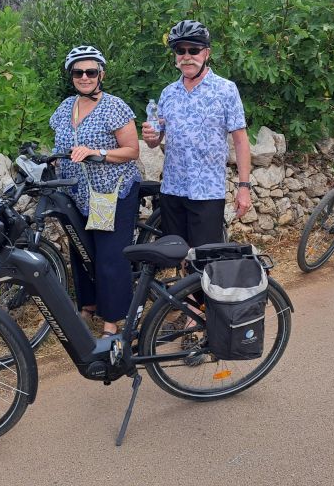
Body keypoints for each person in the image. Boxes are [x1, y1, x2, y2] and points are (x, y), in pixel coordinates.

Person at [50, 45, 141, 337]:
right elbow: (59, 146)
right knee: (80, 250)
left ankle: (113, 320)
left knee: (108, 255)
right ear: (71, 76)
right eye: (78, 72)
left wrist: (97, 152)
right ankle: (88, 306)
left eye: (91, 71)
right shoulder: (65, 108)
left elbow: (132, 151)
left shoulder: (113, 106)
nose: (85, 77)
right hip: (76, 193)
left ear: (101, 73)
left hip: (108, 193)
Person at [141, 20, 252, 250]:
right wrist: (152, 138)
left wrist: (244, 187)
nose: (187, 56)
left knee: (205, 261)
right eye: (180, 51)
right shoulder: (168, 93)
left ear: (207, 53)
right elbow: (156, 141)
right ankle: (183, 286)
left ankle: (202, 288)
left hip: (207, 192)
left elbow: (241, 142)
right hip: (172, 189)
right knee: (177, 256)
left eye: (194, 50)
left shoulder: (226, 89)